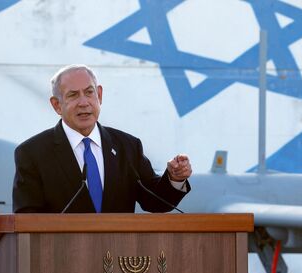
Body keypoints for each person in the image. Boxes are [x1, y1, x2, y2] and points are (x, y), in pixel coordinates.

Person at [12, 64, 192, 213]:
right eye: (73, 95)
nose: (84, 102)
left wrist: (175, 179)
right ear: (57, 105)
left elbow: (156, 202)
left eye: (89, 93)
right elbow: (27, 218)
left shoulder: (127, 146)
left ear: (99, 95)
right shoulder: (32, 153)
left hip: (118, 253)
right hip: (63, 255)